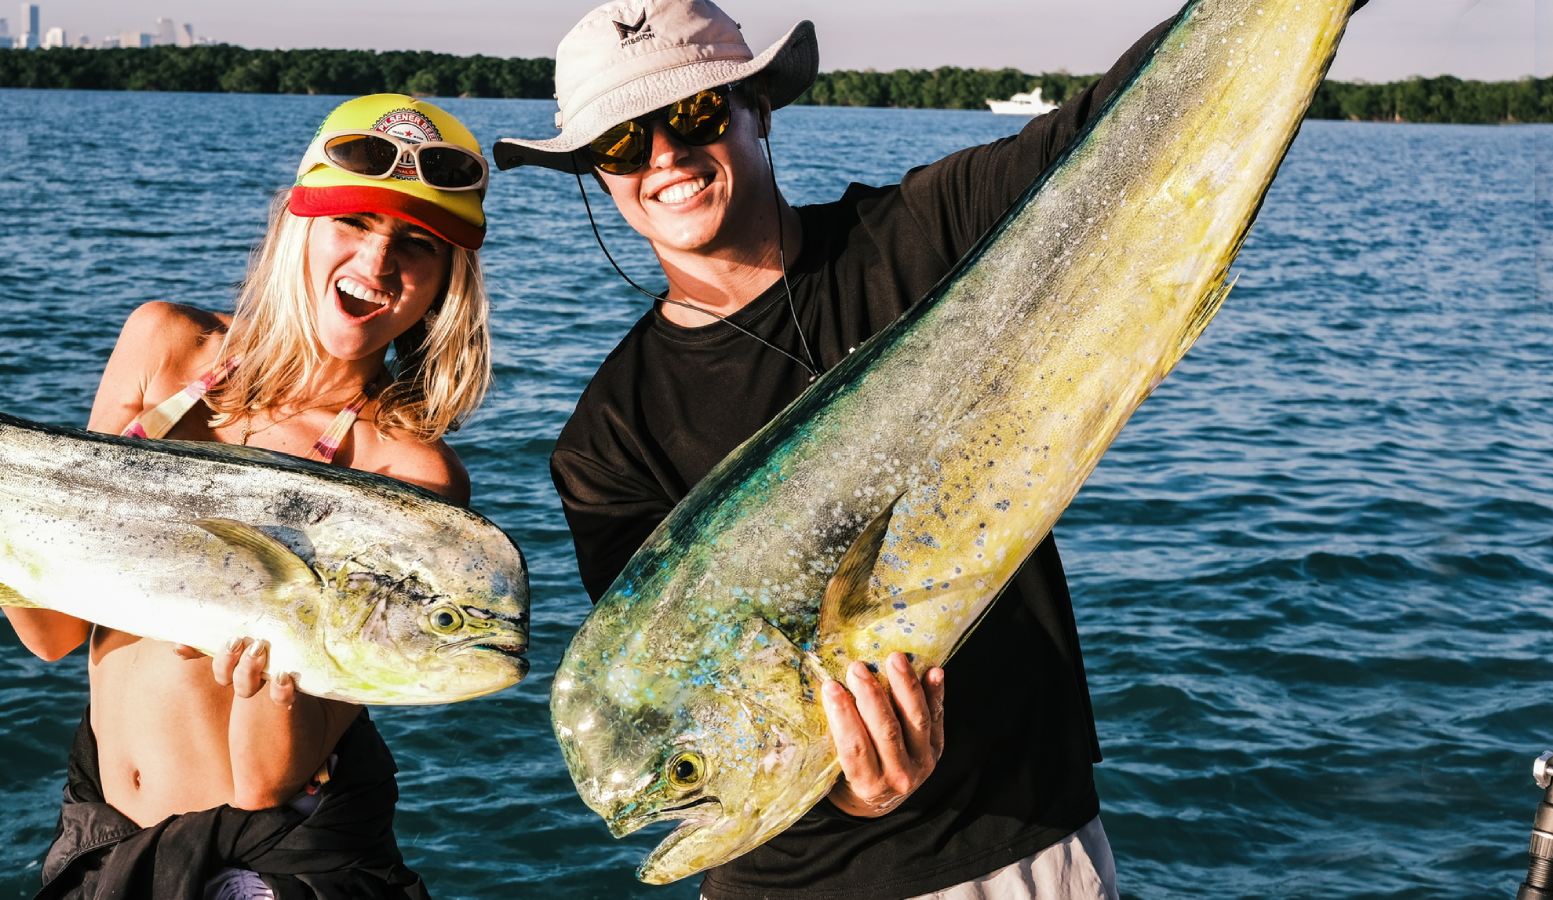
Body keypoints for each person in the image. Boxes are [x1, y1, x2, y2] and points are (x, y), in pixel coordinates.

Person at [487, 0, 1266, 896]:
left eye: (694, 112)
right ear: (594, 172)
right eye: (621, 142)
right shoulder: (606, 438)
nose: (662, 155)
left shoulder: (927, 233)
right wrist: (854, 799)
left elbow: (1119, 125)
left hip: (1019, 848)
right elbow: (677, 707)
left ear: (758, 107)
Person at [0, 93, 495, 900]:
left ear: (445, 282)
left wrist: (271, 656)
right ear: (298, 224)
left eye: (420, 243)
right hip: (98, 832)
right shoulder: (164, 348)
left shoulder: (411, 478)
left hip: (268, 865)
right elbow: (54, 632)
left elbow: (267, 779)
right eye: (354, 223)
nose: (377, 263)